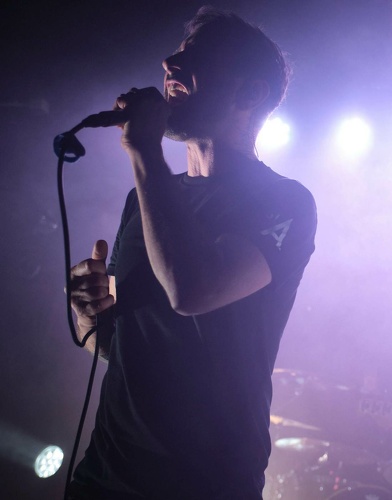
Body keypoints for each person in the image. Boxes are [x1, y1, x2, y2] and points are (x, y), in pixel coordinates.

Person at [67, 7, 316, 499]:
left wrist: (144, 149)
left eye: (199, 57)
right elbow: (117, 346)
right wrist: (87, 316)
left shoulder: (285, 201)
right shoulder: (144, 198)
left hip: (203, 485)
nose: (169, 64)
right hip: (103, 478)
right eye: (176, 54)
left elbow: (193, 290)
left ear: (251, 93)